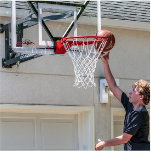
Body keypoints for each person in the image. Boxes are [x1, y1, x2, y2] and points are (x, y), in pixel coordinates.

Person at [95, 52, 150, 150]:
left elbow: (124, 139)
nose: (130, 93)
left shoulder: (140, 113)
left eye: (134, 91)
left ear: (141, 96)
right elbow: (113, 86)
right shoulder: (130, 106)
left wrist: (104, 143)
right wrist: (105, 63)